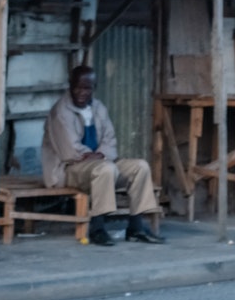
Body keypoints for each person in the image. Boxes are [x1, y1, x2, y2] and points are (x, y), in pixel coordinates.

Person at [42, 65, 165, 245]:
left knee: (140, 166)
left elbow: (110, 140)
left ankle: (136, 227)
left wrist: (100, 155)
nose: (82, 92)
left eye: (87, 88)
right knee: (105, 168)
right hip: (68, 170)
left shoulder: (99, 108)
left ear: (94, 87)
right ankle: (97, 228)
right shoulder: (61, 112)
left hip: (100, 163)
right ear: (70, 86)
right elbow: (71, 151)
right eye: (78, 87)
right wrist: (99, 157)